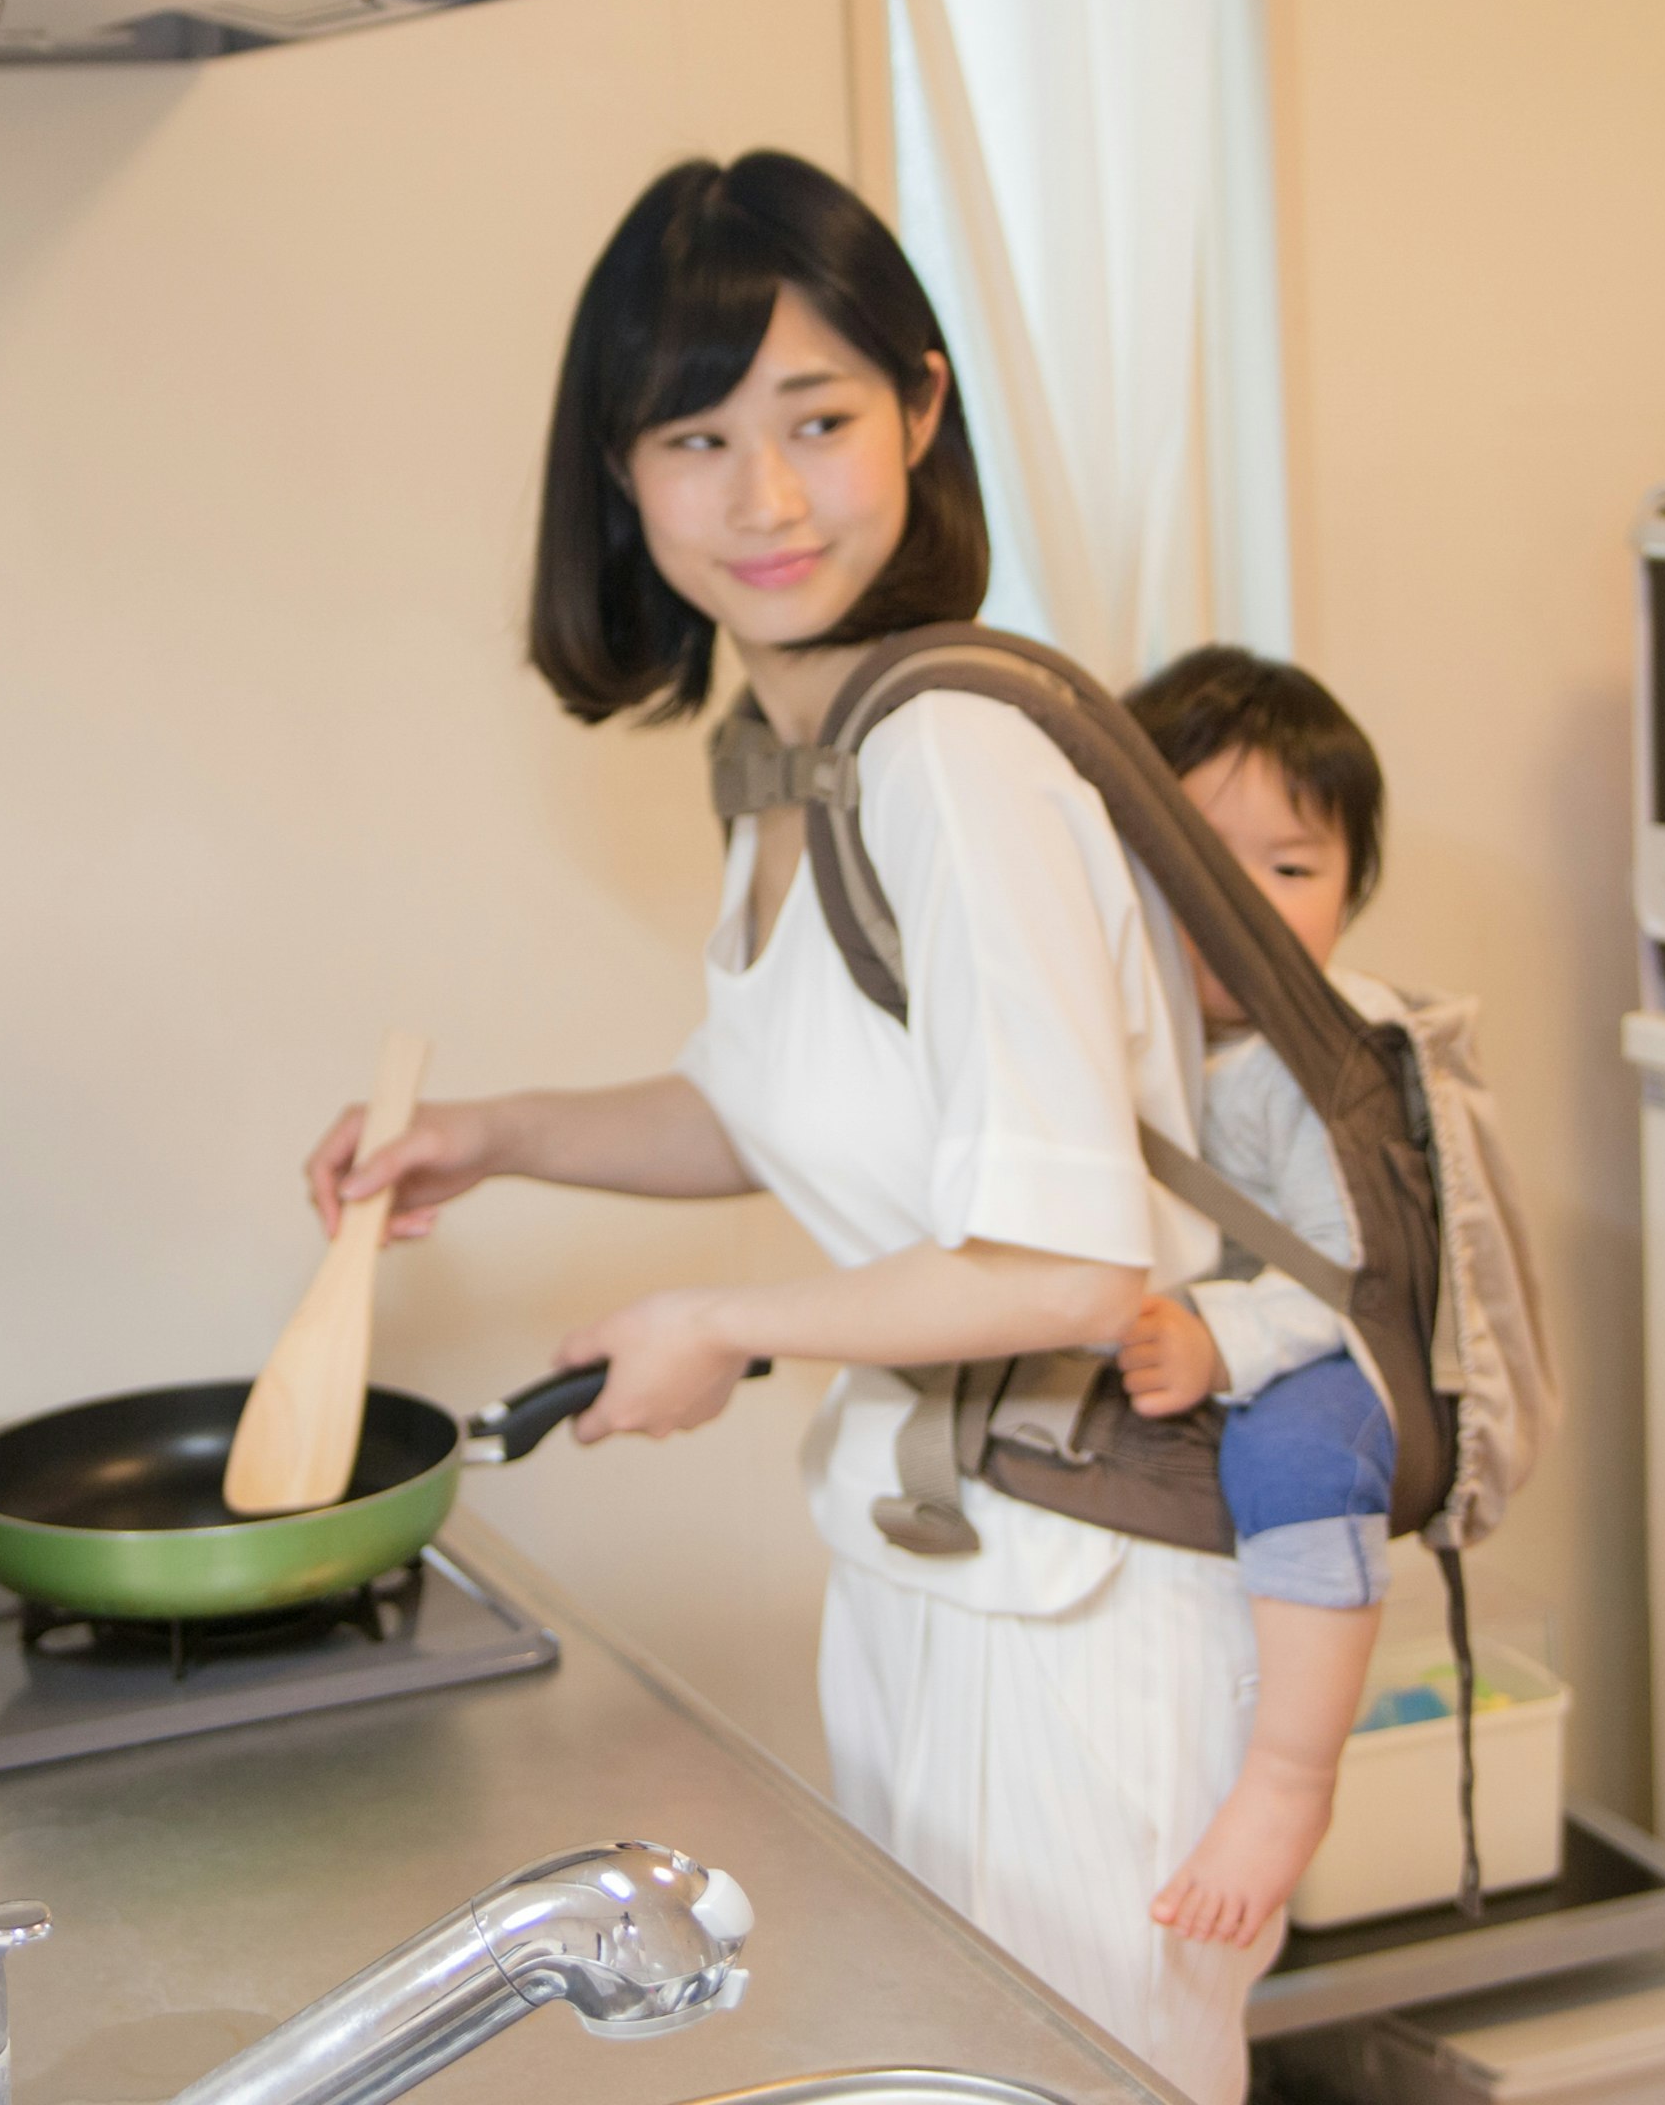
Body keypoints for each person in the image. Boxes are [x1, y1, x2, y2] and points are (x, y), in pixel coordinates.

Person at [301, 150, 1272, 2102]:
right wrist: (494, 1133)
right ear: (621, 476)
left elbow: (1069, 1257)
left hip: (1080, 1614)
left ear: (921, 407)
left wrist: (726, 1325)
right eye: (696, 434)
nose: (763, 496)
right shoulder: (797, 758)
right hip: (940, 1560)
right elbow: (781, 1110)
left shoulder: (951, 759)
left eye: (818, 420)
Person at [1107, 646, 1401, 1951]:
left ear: (1351, 891)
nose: (1245, 905)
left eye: (1291, 871)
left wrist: (1221, 1340)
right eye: (1200, 867)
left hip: (1323, 1348)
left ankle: (1291, 1781)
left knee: (1304, 1448)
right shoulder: (1115, 1027)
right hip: (1190, 1335)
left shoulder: (1320, 1056)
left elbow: (1357, 1274)